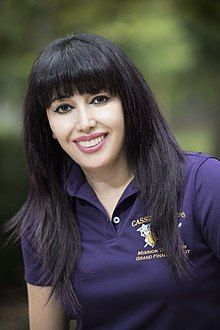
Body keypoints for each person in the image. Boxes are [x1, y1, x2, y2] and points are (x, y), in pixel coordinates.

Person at [5, 32, 220, 330]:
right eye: (63, 108)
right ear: (49, 126)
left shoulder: (203, 183)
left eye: (99, 99)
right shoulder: (44, 218)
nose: (84, 123)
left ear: (129, 105)